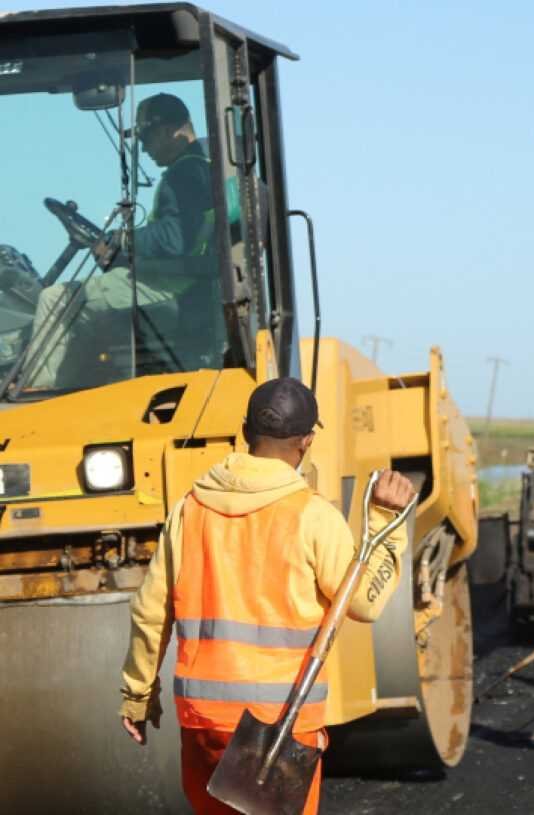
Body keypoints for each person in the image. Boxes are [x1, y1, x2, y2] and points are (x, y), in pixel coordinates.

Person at [118, 377, 415, 813]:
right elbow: (364, 603)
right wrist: (387, 526)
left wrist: (138, 694)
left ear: (244, 432)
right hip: (280, 724)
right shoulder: (313, 516)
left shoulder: (190, 508)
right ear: (308, 440)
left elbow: (150, 609)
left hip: (204, 720)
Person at [28, 93, 214, 387]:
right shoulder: (204, 165)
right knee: (88, 313)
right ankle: (72, 389)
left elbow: (175, 237)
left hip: (170, 287)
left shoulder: (186, 173)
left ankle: (34, 395)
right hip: (180, 278)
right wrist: (123, 255)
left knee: (54, 300)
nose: (143, 148)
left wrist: (123, 239)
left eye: (147, 138)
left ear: (168, 131)